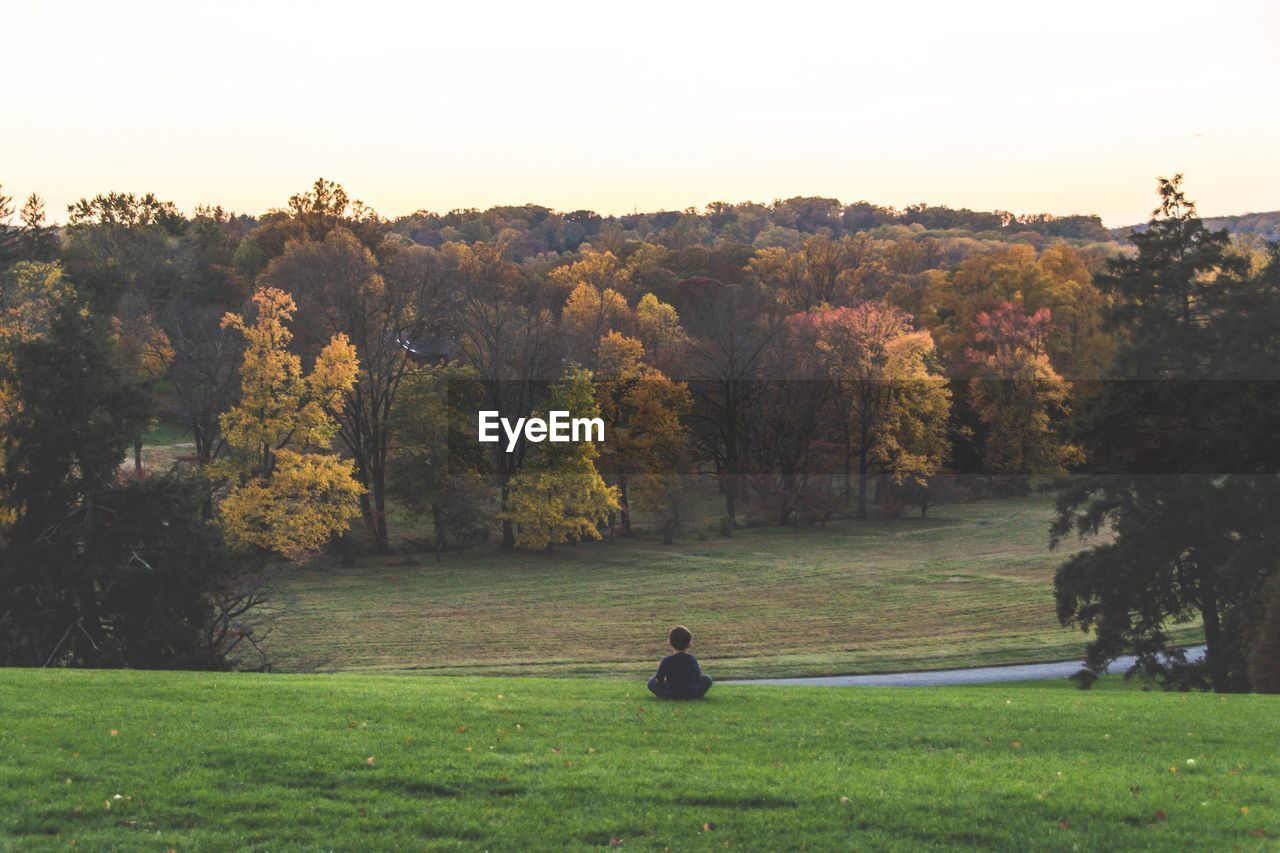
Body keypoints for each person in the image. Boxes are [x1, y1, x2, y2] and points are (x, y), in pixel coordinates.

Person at [647, 625, 713, 699]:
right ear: (689, 644)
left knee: (651, 682)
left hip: (670, 693)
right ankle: (696, 695)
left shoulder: (667, 660)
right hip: (691, 693)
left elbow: (659, 680)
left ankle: (664, 696)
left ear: (670, 643)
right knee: (707, 679)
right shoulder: (692, 659)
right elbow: (697, 676)